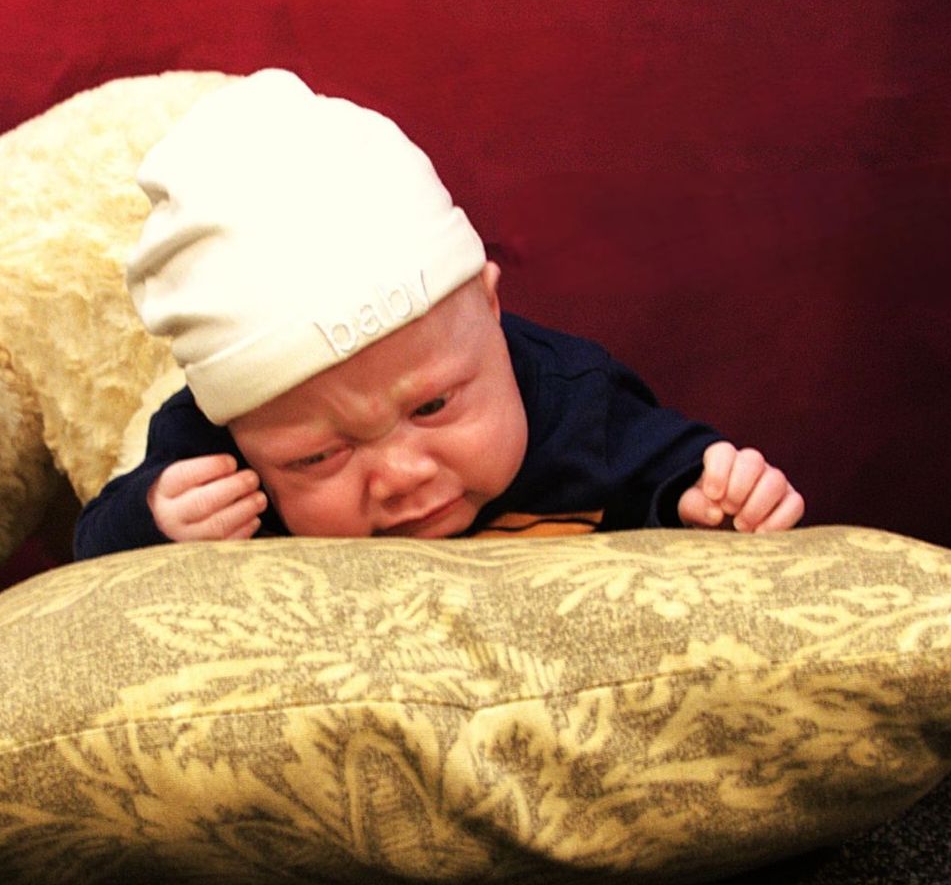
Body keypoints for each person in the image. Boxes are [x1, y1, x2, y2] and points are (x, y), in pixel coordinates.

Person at [73, 69, 802, 560]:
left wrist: (715, 496)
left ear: (490, 305)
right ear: (235, 429)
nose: (398, 476)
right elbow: (94, 551)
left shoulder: (578, 401)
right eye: (317, 457)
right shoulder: (212, 454)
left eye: (431, 405)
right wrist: (153, 519)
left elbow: (674, 473)